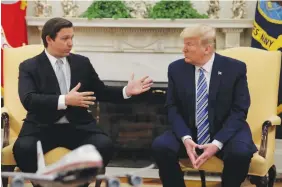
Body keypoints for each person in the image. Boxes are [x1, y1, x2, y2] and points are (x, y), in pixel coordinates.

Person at [13, 17, 153, 185]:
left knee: (104, 145)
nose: (70, 43)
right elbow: (29, 99)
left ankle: (79, 184)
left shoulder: (82, 63)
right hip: (41, 126)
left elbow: (100, 91)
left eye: (72, 37)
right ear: (49, 39)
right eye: (65, 38)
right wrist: (65, 100)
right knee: (23, 149)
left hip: (78, 126)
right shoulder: (29, 66)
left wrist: (126, 91)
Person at [151, 24, 257, 187]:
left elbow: (239, 110)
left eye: (189, 45)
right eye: (184, 44)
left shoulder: (235, 68)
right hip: (189, 130)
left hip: (226, 131)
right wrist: (185, 138)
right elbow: (172, 107)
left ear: (207, 48)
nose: (183, 50)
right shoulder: (176, 69)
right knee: (161, 146)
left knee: (240, 153)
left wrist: (217, 143)